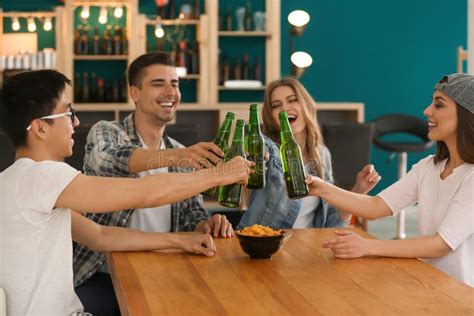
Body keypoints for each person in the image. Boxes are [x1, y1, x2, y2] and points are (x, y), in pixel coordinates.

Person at [0, 69, 252, 315]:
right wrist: (222, 173)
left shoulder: (14, 180)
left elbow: (99, 236)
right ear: (40, 128)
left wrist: (179, 241)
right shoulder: (42, 177)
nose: (76, 121)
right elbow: (146, 193)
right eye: (68, 113)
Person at [72, 51, 239, 314]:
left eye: (174, 83)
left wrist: (206, 223)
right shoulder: (107, 132)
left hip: (163, 269)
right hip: (101, 274)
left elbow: (189, 214)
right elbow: (110, 160)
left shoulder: (180, 151)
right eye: (158, 83)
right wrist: (180, 157)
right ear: (135, 93)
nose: (170, 91)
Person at [306, 73, 473, 287]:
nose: (427, 111)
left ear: (466, 114)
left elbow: (440, 245)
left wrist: (368, 246)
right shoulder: (428, 167)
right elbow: (376, 207)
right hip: (432, 286)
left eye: (438, 105)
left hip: (464, 297)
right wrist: (322, 188)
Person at [239, 77, 381, 229]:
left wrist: (359, 190)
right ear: (271, 116)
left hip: (306, 245)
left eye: (292, 100)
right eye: (276, 105)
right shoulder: (268, 148)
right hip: (262, 244)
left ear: (306, 105)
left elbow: (332, 223)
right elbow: (257, 153)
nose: (285, 108)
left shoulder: (322, 154)